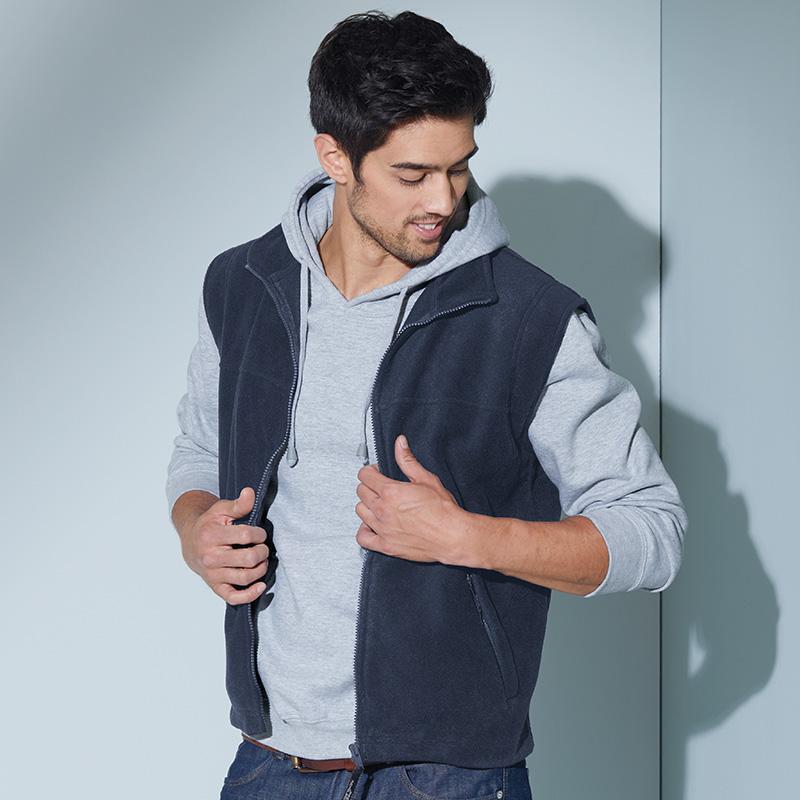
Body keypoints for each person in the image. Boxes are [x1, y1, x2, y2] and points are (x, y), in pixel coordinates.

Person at [165, 10, 687, 800]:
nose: (442, 199)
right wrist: (195, 528)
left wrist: (470, 537)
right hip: (270, 762)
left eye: (459, 167)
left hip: (449, 777)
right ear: (335, 157)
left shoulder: (532, 319)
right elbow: (200, 449)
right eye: (412, 175)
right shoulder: (242, 285)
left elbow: (654, 533)